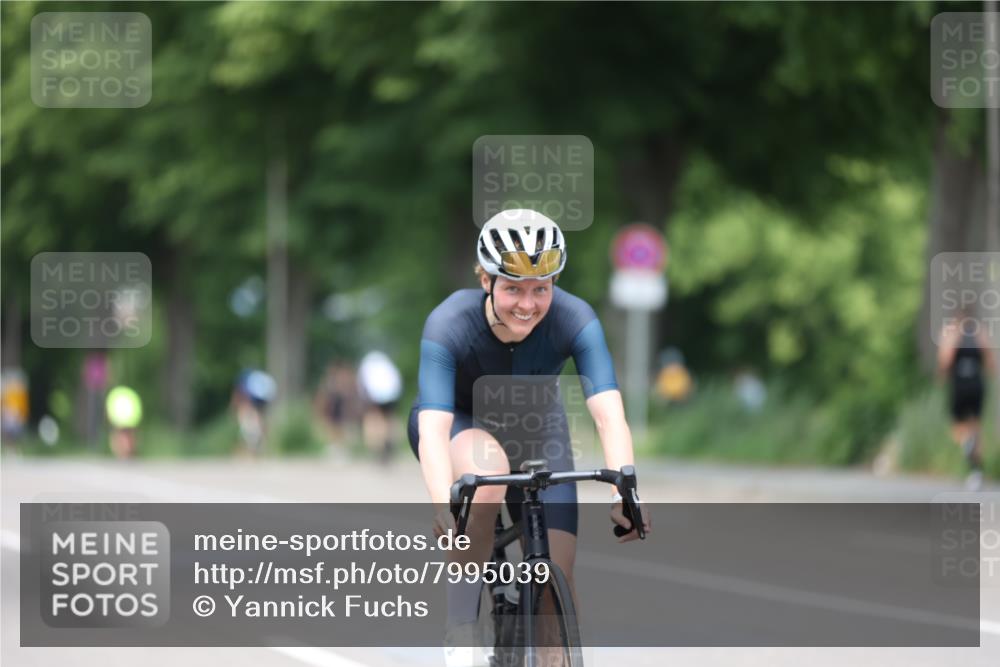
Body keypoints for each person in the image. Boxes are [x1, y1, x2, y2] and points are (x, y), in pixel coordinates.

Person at [408, 208, 651, 664]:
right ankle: (461, 624)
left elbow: (608, 415)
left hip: (538, 429)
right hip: (460, 425)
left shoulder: (575, 317)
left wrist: (626, 488)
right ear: (486, 281)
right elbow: (434, 428)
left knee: (559, 567)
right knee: (489, 470)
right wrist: (444, 504)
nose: (528, 303)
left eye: (541, 289)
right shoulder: (449, 322)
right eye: (513, 288)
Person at [937, 315, 995, 491]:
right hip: (977, 385)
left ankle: (966, 443)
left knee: (957, 426)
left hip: (960, 386)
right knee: (976, 427)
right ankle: (976, 471)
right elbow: (990, 363)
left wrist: (942, 376)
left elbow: (945, 360)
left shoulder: (951, 334)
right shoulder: (980, 334)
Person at [357, 350, 403, 464]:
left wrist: (364, 399)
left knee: (373, 419)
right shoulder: (388, 365)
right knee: (389, 419)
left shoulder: (366, 366)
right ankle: (389, 441)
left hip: (375, 394)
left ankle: (378, 446)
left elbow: (363, 384)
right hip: (392, 394)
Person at [232, 369, 277, 456]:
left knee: (250, 428)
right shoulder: (258, 382)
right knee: (254, 427)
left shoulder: (247, 383)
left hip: (257, 396)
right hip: (260, 395)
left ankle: (251, 449)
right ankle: (254, 449)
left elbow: (239, 398)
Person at [105, 385, 142, 459]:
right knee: (127, 433)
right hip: (128, 417)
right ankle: (127, 454)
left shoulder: (115, 396)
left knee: (124, 433)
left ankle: (126, 454)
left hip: (125, 417)